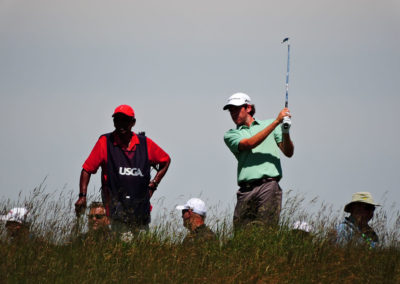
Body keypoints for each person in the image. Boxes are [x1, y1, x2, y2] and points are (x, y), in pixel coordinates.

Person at [75, 104, 171, 234]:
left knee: (140, 250)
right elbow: (87, 169)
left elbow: (166, 160)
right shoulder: (105, 142)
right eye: (117, 120)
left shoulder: (144, 144)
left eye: (125, 120)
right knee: (122, 247)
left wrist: (153, 184)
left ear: (133, 123)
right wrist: (82, 196)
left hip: (141, 213)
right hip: (116, 212)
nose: (120, 124)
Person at [223, 92, 294, 229]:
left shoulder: (271, 125)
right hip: (245, 190)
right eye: (231, 110)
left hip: (268, 186)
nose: (233, 113)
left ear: (248, 108)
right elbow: (249, 144)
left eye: (237, 109)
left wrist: (285, 131)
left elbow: (288, 152)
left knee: (266, 231)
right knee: (241, 236)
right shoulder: (231, 134)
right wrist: (276, 122)